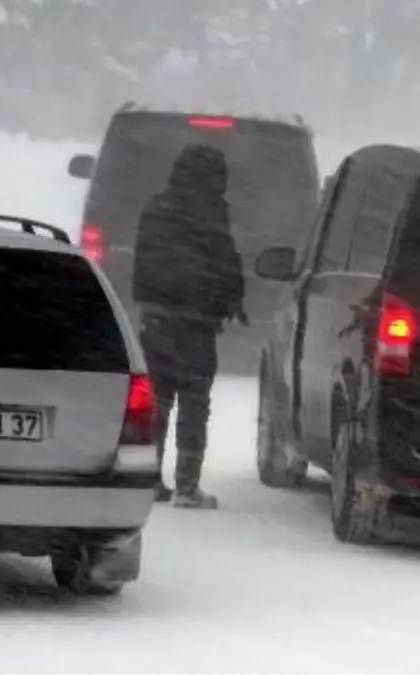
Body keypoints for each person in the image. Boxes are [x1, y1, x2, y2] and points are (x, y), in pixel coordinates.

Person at [132, 143, 245, 510]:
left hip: (156, 318)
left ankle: (149, 479)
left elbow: (144, 259)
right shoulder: (211, 213)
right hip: (195, 324)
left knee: (157, 402)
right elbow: (224, 262)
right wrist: (230, 300)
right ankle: (187, 485)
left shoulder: (155, 208)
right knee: (195, 402)